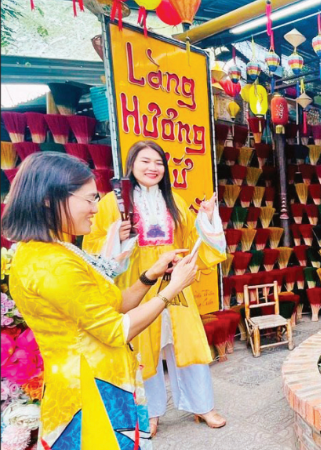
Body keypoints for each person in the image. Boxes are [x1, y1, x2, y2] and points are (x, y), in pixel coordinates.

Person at [2, 152, 200, 449]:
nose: (96, 209)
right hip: (90, 393)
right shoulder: (52, 265)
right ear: (48, 199)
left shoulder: (56, 250)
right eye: (89, 199)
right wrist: (174, 288)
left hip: (102, 381)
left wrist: (150, 275)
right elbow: (117, 329)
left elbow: (113, 304)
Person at [83, 140, 227, 435]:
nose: (153, 168)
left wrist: (208, 216)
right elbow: (93, 247)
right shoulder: (112, 203)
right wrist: (115, 237)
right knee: (142, 351)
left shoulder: (174, 200)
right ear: (131, 165)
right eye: (145, 161)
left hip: (175, 282)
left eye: (159, 163)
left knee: (188, 343)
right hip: (138, 284)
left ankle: (203, 406)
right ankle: (150, 412)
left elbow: (193, 240)